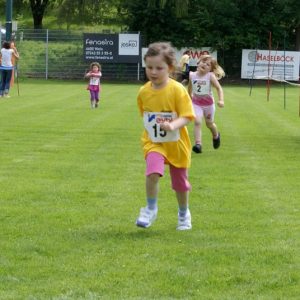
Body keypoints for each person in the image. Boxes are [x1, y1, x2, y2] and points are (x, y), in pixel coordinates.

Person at [136, 42, 195, 230]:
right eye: (149, 67)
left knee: (180, 184)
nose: (153, 72)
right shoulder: (144, 92)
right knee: (152, 172)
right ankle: (150, 209)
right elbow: (145, 117)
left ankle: (183, 213)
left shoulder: (178, 90)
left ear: (169, 68)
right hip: (154, 142)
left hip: (176, 142)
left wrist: (172, 125)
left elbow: (187, 116)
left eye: (159, 68)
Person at [188, 54, 225, 154]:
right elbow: (190, 87)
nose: (205, 64)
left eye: (208, 64)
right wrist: (189, 95)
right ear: (198, 63)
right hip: (196, 104)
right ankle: (198, 144)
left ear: (210, 69)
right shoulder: (192, 75)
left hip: (208, 105)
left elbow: (219, 88)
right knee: (197, 122)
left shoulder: (210, 76)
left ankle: (216, 136)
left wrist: (221, 100)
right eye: (203, 62)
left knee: (209, 124)